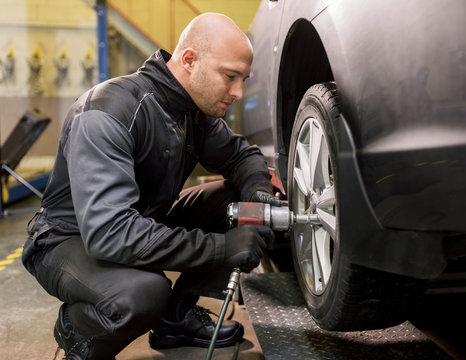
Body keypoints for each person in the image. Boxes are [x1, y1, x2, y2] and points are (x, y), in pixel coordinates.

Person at [22, 13, 281, 360]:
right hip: (70, 239)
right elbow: (110, 233)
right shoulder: (109, 111)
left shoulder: (192, 112)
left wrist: (258, 197)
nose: (238, 92)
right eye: (230, 76)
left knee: (234, 201)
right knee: (142, 294)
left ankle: (175, 320)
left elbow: (241, 156)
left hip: (138, 221)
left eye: (243, 80)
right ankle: (78, 334)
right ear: (189, 60)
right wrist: (221, 248)